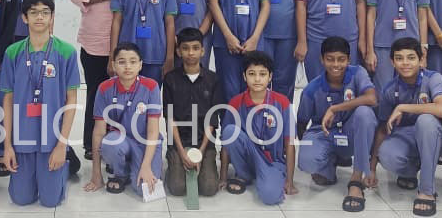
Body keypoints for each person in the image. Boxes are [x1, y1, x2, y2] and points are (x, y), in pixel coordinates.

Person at [0, 0, 81, 207]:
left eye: (45, 13)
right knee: (21, 199)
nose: (39, 17)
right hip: (22, 137)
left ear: (52, 17)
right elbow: (7, 100)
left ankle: (66, 161)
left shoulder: (66, 52)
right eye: (33, 13)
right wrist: (7, 146)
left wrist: (62, 144)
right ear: (24, 18)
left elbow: (72, 100)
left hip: (52, 138)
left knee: (51, 201)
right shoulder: (13, 53)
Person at [69, 0, 134, 161]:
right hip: (94, 38)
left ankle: (123, 142)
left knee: (125, 95)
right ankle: (91, 143)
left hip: (127, 37)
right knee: (97, 92)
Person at [294, 36, 377, 212]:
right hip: (326, 135)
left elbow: (371, 98)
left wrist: (335, 108)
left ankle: (356, 180)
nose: (336, 65)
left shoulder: (357, 73)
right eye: (330, 59)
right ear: (322, 60)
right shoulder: (312, 89)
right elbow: (301, 124)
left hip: (352, 133)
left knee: (364, 113)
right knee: (307, 161)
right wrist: (311, 148)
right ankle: (328, 164)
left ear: (349, 59)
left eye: (341, 59)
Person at [372, 37, 442, 217]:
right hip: (406, 137)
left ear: (421, 59)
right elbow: (382, 128)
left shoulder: (433, 78)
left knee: (425, 121)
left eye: (411, 57)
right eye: (399, 58)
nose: (405, 63)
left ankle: (427, 191)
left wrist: (403, 107)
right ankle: (410, 172)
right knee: (387, 154)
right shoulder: (389, 89)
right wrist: (372, 168)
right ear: (392, 62)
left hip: (434, 136)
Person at [83, 43, 164, 197]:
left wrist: (146, 166)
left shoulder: (151, 87)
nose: (127, 67)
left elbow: (153, 131)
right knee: (110, 143)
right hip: (120, 140)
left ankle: (138, 165)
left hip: (145, 141)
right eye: (121, 62)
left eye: (133, 61)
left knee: (145, 191)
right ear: (113, 65)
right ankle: (121, 173)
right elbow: (99, 132)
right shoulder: (104, 88)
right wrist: (96, 174)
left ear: (140, 65)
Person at [219, 51, 297, 205]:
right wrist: (223, 177)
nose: (257, 79)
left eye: (262, 74)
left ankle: (268, 177)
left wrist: (290, 181)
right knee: (229, 131)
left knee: (270, 197)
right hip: (248, 159)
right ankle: (244, 175)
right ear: (244, 76)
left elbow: (290, 143)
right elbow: (226, 144)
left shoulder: (282, 102)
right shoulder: (235, 102)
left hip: (272, 162)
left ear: (270, 76)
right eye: (251, 74)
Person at [162, 27, 224, 198]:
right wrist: (182, 153)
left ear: (203, 51)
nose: (191, 53)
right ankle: (174, 162)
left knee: (209, 189)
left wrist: (201, 152)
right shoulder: (170, 79)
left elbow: (212, 121)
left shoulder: (213, 79)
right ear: (178, 51)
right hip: (179, 142)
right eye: (185, 48)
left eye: (195, 48)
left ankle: (205, 165)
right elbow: (170, 118)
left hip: (204, 142)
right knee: (177, 188)